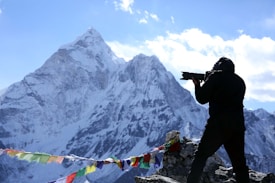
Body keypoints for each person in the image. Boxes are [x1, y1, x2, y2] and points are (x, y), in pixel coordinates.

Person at [186, 57, 249, 183]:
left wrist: (198, 85)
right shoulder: (240, 81)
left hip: (218, 124)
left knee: (201, 156)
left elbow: (202, 98)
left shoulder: (216, 77)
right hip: (237, 126)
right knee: (239, 164)